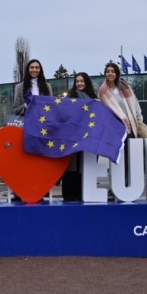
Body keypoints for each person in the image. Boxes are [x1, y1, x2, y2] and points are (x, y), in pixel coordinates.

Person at [97, 62, 143, 201]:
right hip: (113, 130)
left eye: (113, 71)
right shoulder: (102, 91)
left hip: (128, 129)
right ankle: (114, 187)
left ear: (116, 73)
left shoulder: (125, 88)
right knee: (115, 160)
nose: (110, 73)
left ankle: (127, 186)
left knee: (128, 160)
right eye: (108, 71)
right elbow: (101, 110)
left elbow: (135, 105)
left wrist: (139, 119)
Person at [61, 72, 97, 202]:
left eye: (82, 81)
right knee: (72, 165)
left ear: (86, 82)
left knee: (84, 165)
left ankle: (82, 193)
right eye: (77, 81)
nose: (79, 83)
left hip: (88, 137)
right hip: (72, 136)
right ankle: (70, 194)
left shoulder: (93, 98)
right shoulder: (71, 96)